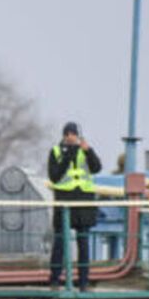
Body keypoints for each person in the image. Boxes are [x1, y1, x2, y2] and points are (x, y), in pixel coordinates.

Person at [47, 122, 102, 290]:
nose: (71, 136)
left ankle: (84, 281)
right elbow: (55, 176)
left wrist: (88, 150)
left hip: (83, 201)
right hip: (64, 201)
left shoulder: (85, 150)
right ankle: (55, 279)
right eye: (68, 134)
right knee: (60, 242)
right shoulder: (56, 151)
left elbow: (96, 168)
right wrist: (69, 154)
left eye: (74, 134)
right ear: (64, 135)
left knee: (83, 242)